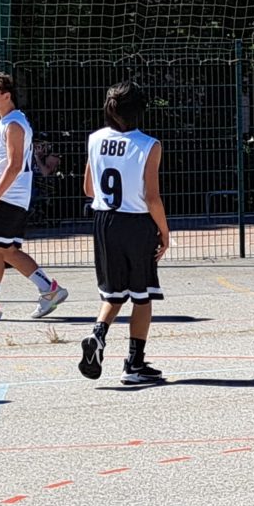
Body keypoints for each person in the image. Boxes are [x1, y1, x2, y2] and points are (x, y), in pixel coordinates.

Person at [77, 81, 170, 387]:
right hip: (136, 223)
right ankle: (134, 363)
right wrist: (164, 231)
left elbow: (88, 188)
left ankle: (97, 334)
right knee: (142, 297)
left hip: (104, 222)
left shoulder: (95, 139)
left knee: (114, 292)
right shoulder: (148, 145)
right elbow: (152, 197)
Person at [0, 72, 68, 324]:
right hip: (9, 196)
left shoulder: (14, 124)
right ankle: (49, 290)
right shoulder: (7, 121)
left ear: (7, 96)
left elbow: (14, 165)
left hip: (7, 197)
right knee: (6, 250)